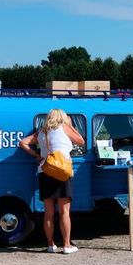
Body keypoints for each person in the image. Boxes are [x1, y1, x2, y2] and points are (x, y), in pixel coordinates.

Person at [18, 109, 84, 254]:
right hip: (62, 172)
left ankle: (50, 245)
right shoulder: (64, 127)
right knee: (64, 211)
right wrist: (71, 125)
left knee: (48, 212)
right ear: (62, 118)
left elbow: (23, 143)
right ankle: (66, 245)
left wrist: (36, 155)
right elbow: (81, 141)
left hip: (45, 172)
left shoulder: (42, 132)